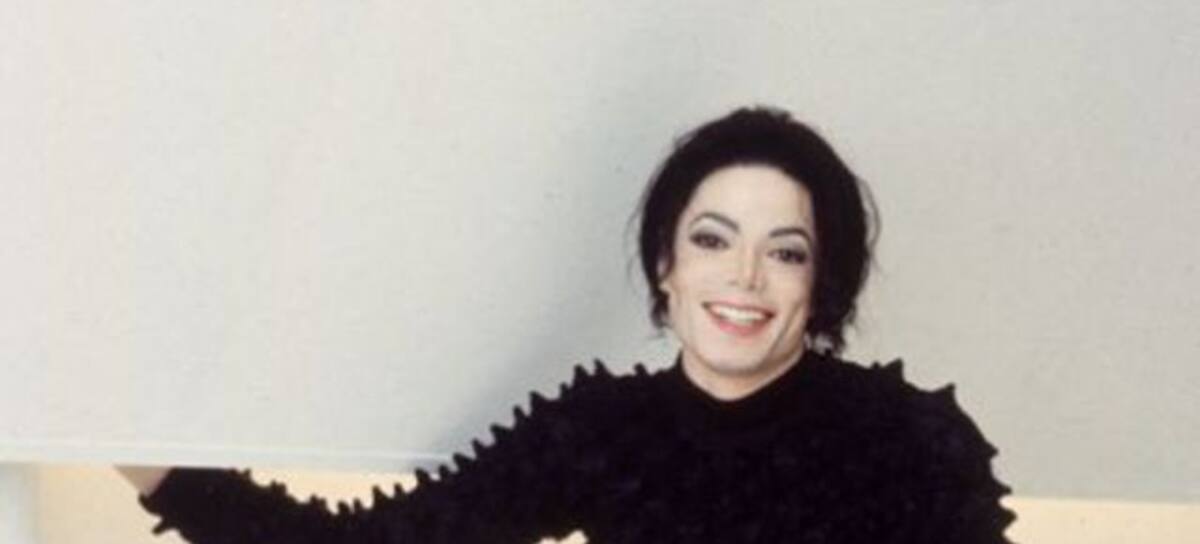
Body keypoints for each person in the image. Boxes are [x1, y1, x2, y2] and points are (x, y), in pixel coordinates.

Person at [118, 106, 1016, 542]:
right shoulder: (602, 432)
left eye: (785, 251)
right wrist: (162, 475)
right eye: (712, 239)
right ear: (666, 264)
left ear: (820, 286)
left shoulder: (914, 442)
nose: (743, 276)